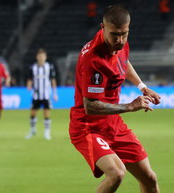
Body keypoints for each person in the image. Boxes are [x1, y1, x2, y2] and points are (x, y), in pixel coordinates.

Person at [69, 5, 161, 193]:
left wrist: (142, 86)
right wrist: (129, 106)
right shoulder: (93, 59)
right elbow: (91, 107)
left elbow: (123, 61)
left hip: (113, 124)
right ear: (102, 27)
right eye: (115, 35)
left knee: (149, 178)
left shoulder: (119, 44)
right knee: (117, 173)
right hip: (88, 127)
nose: (120, 40)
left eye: (124, 34)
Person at [25, 48, 58, 140]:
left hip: (46, 94)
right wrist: (29, 85)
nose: (41, 58)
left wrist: (55, 93)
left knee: (46, 112)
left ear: (45, 57)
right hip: (36, 94)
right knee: (33, 112)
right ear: (37, 57)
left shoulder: (49, 67)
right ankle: (32, 130)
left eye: (42, 56)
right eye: (39, 56)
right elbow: (30, 78)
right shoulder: (33, 67)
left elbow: (53, 80)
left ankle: (47, 132)